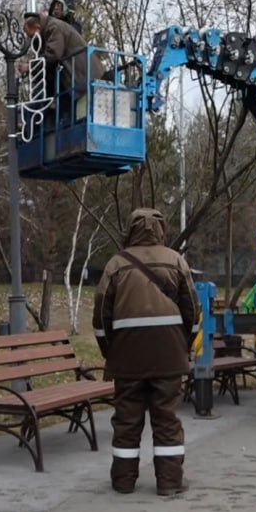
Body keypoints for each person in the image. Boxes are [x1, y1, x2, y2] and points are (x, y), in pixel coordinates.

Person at [92, 208, 200, 496]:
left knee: (127, 420)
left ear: (130, 229)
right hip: (168, 356)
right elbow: (193, 310)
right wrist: (183, 345)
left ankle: (123, 481)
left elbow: (101, 318)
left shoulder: (116, 264)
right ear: (161, 230)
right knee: (167, 419)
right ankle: (169, 482)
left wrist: (111, 352)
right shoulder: (176, 261)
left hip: (127, 357)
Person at [22, 11, 98, 122]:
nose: (33, 38)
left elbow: (53, 55)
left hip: (81, 74)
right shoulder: (51, 27)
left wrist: (30, 66)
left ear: (37, 27)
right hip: (77, 74)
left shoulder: (54, 28)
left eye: (32, 35)